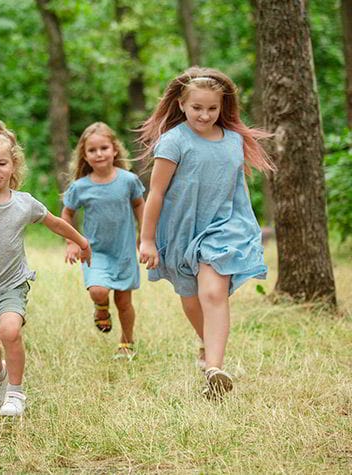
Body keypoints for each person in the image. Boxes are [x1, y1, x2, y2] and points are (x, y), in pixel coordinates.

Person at [136, 67, 275, 399]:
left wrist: (245, 225)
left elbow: (234, 187)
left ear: (222, 107)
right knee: (191, 297)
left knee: (213, 293)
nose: (205, 114)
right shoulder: (173, 142)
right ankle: (206, 345)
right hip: (182, 230)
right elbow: (155, 194)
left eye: (212, 108)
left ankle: (214, 369)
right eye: (197, 107)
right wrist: (147, 239)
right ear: (182, 104)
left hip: (224, 228)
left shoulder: (233, 141)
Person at [0, 120, 91, 417]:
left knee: (10, 332)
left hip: (12, 284)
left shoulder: (24, 203)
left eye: (2, 163)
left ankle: (16, 392)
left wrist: (80, 241)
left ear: (14, 166)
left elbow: (54, 222)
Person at [61, 122, 145, 360]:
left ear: (114, 149)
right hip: (95, 251)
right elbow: (67, 213)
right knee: (98, 291)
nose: (99, 154)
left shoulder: (128, 181)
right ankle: (101, 307)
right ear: (85, 156)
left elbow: (140, 204)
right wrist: (72, 242)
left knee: (124, 301)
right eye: (92, 150)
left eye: (104, 148)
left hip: (124, 251)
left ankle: (127, 342)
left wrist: (144, 235)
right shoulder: (81, 187)